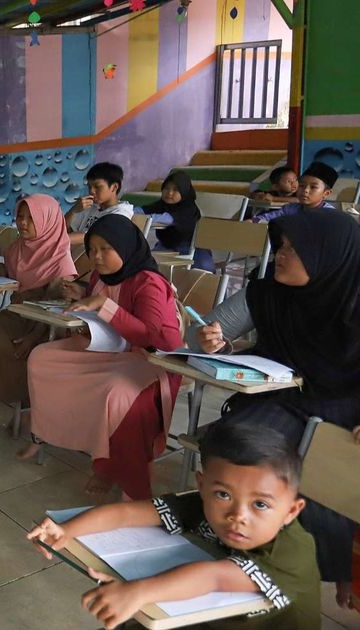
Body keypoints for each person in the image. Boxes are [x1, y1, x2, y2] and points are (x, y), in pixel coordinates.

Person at [189, 209, 360, 607]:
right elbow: (202, 337)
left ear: (328, 256)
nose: (281, 254)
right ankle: (237, 550)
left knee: (327, 474)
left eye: (295, 249)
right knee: (242, 451)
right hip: (287, 396)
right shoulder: (266, 293)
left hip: (347, 409)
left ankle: (331, 573)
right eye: (281, 245)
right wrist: (215, 343)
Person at [27, 421, 320, 630]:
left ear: (291, 511)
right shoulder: (202, 504)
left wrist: (139, 591)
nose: (238, 515)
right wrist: (67, 530)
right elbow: (129, 514)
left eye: (261, 505)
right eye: (223, 494)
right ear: (202, 486)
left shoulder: (293, 550)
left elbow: (214, 578)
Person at [22, 214, 183, 500]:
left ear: (125, 246)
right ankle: (46, 433)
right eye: (91, 249)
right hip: (113, 349)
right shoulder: (99, 275)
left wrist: (103, 305)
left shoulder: (149, 282)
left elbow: (149, 335)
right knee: (42, 358)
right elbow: (107, 301)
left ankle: (113, 469)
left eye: (105, 249)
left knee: (118, 393)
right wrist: (84, 294)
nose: (96, 257)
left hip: (154, 360)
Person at [0, 194, 78, 412]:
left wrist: (33, 337)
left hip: (46, 326)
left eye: (31, 218)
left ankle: (24, 404)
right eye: (20, 216)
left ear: (47, 221)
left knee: (18, 351)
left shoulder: (60, 260)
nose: (22, 223)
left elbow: (60, 309)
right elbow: (10, 273)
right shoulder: (19, 248)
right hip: (17, 313)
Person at [142, 171, 213, 271]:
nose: (169, 193)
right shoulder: (160, 205)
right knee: (148, 264)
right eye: (166, 188)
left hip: (191, 246)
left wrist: (147, 217)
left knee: (205, 268)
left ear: (184, 192)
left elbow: (167, 218)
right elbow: (142, 210)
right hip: (166, 245)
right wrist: (126, 210)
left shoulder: (188, 208)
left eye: (175, 190)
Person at [67, 162, 135, 246]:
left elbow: (96, 237)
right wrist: (73, 210)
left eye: (97, 187)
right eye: (89, 186)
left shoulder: (121, 213)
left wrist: (59, 241)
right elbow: (64, 229)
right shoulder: (91, 207)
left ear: (114, 187)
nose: (91, 191)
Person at [251, 161, 337, 223]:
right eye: (302, 185)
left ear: (326, 193)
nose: (305, 190)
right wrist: (252, 221)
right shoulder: (290, 209)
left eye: (313, 187)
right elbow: (267, 217)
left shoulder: (331, 216)